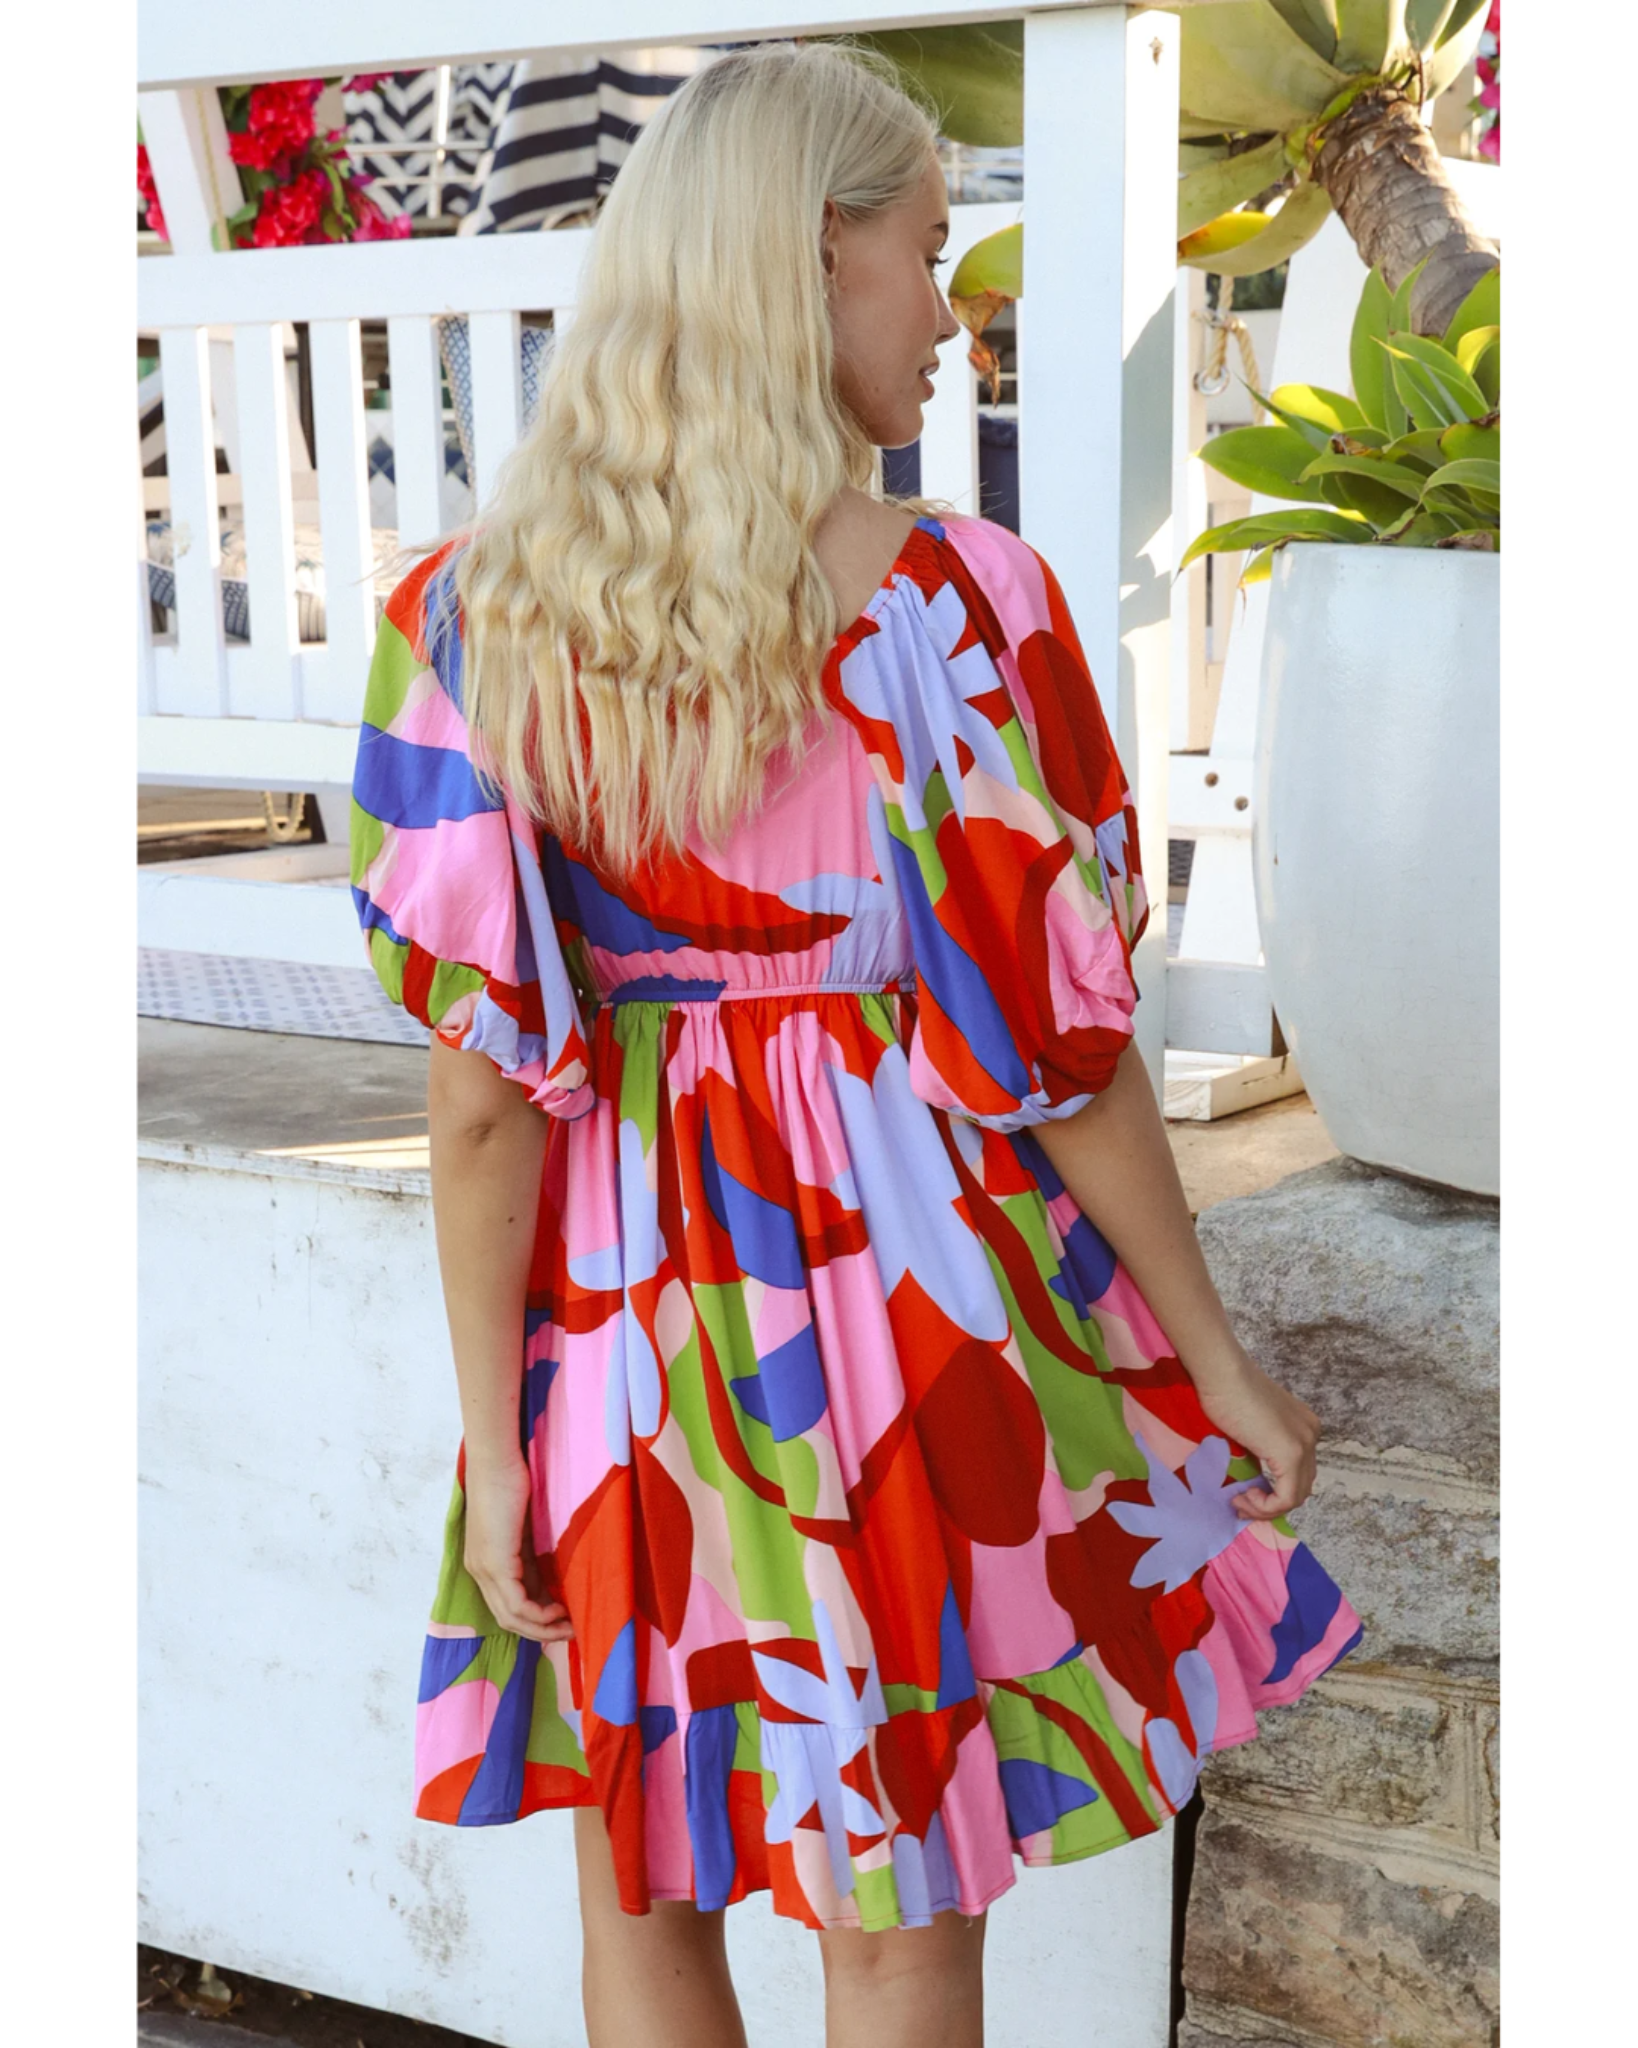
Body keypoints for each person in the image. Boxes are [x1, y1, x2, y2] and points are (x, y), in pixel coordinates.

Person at [349, 39, 1364, 2048]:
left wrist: (495, 1445)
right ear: (816, 263)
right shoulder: (965, 610)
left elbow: (482, 1109)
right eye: (925, 252)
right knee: (892, 1913)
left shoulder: (471, 624)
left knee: (648, 1874)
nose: (947, 310)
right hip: (904, 1334)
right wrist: (1211, 1355)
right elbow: (1062, 1056)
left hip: (627, 1343)